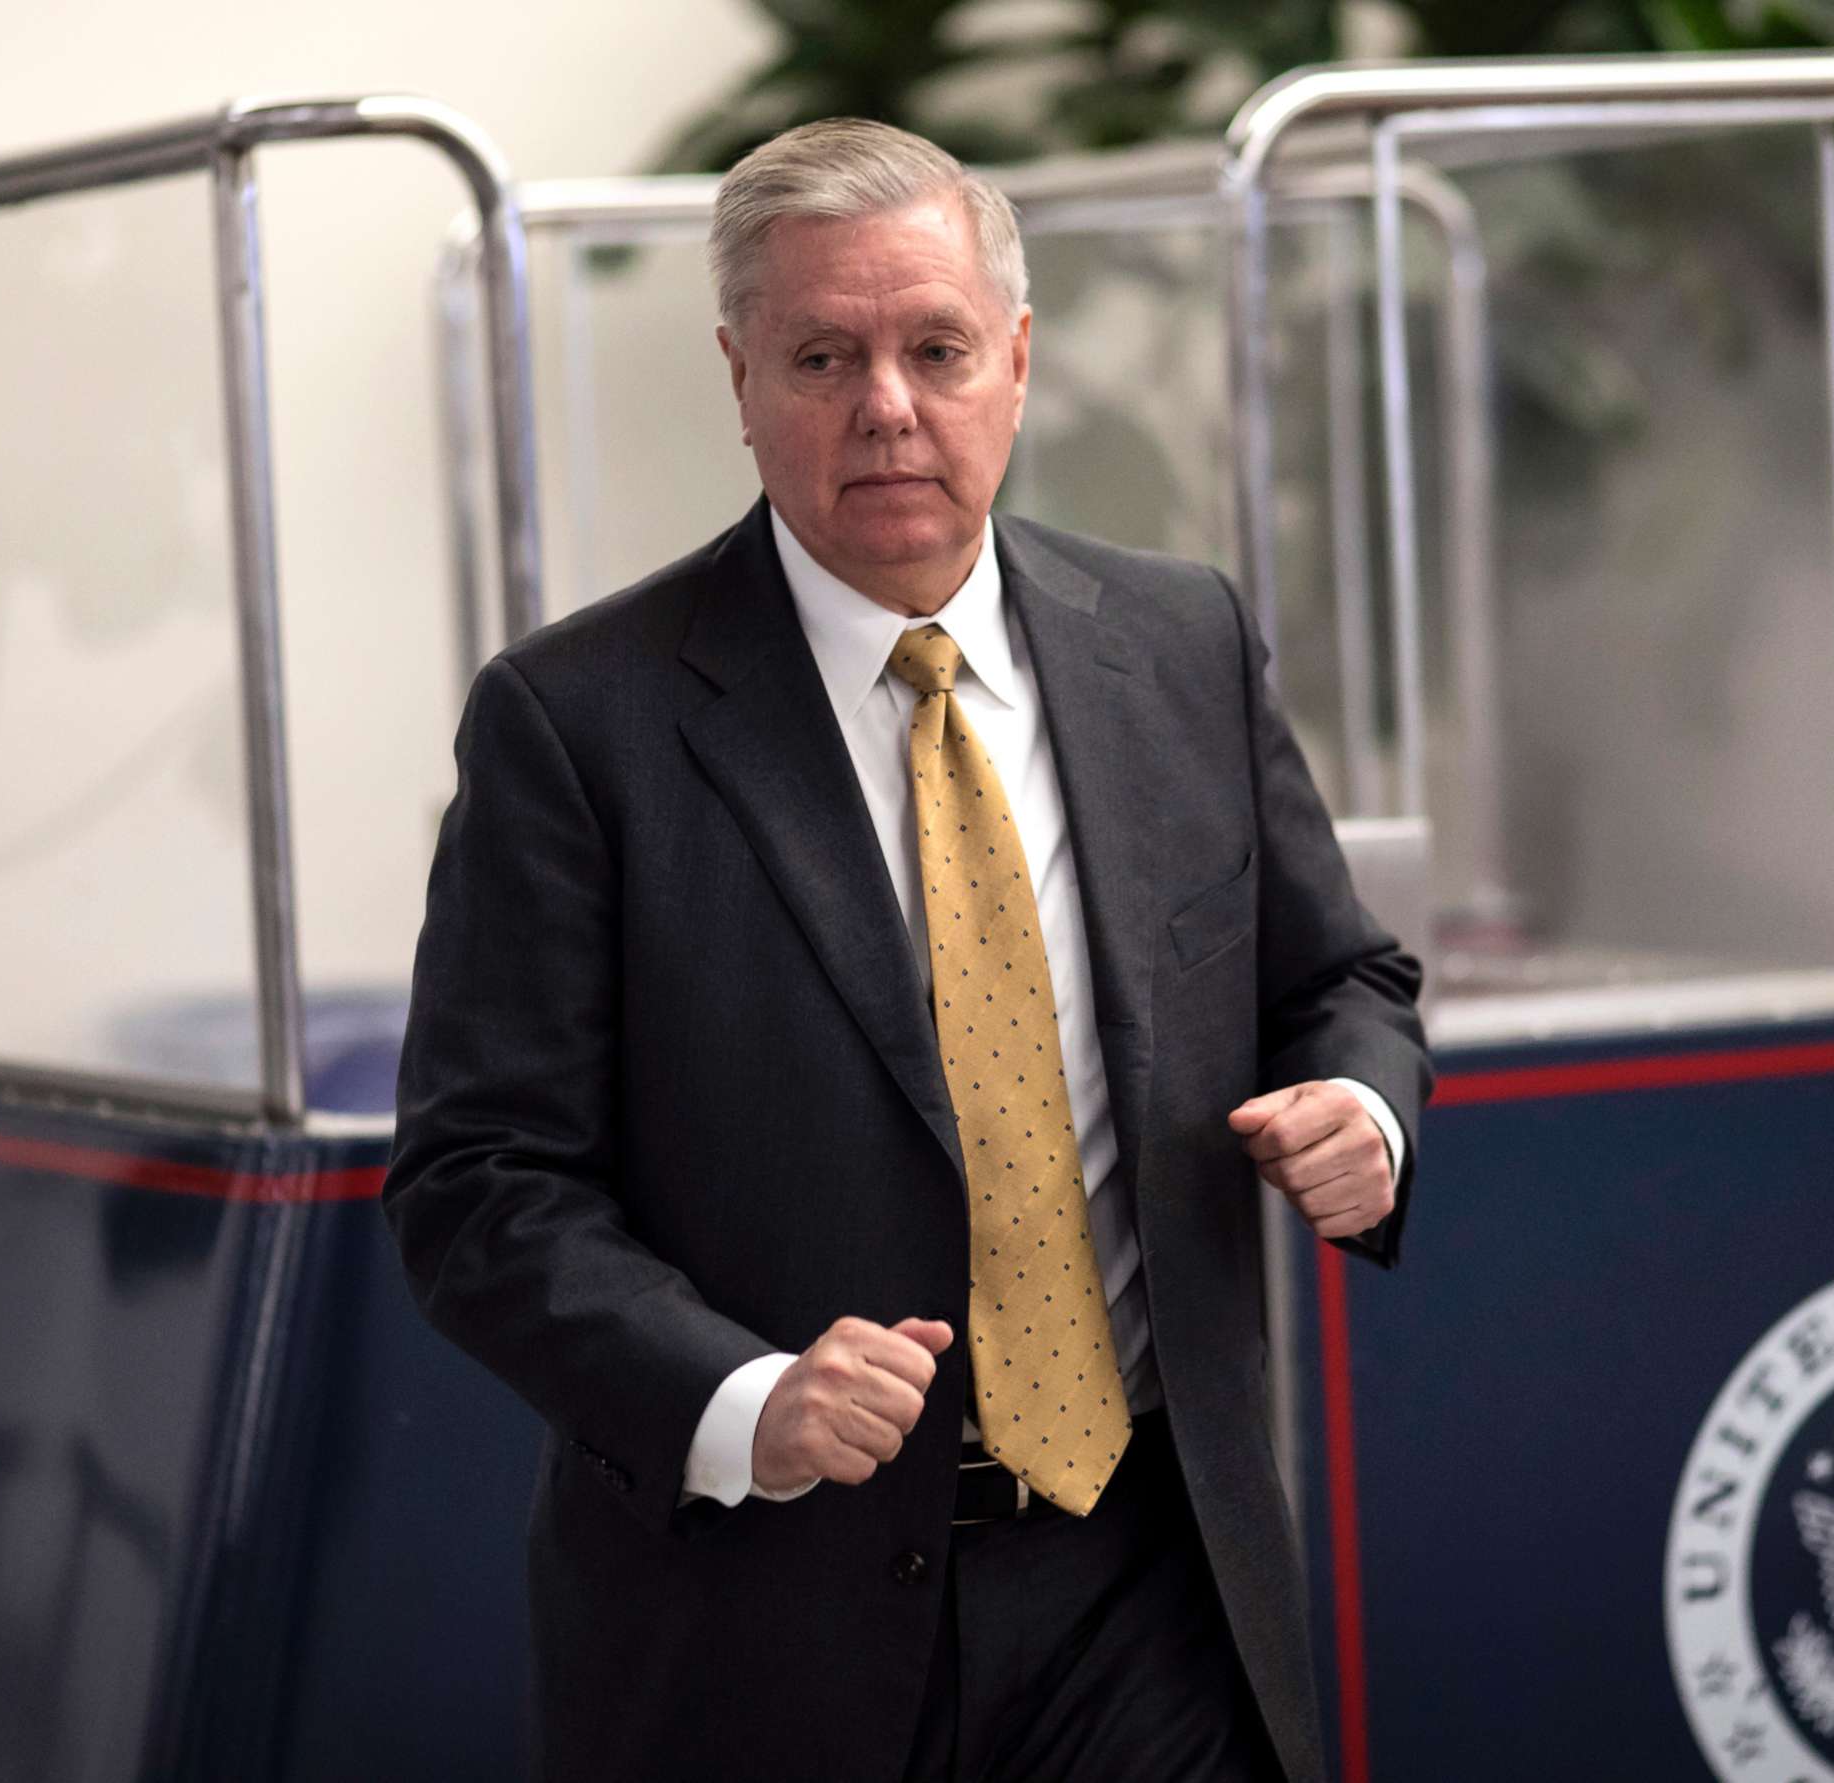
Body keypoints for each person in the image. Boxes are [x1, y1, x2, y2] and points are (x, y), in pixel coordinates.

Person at [382, 117, 1431, 1783]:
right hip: (767, 1620)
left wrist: (1361, 1117)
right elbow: (478, 1185)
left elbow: (1338, 983)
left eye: (936, 347)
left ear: (1014, 362)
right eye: (823, 354)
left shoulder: (1181, 641)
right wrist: (742, 1401)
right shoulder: (577, 724)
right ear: (742, 378)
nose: (887, 403)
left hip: (1150, 1562)